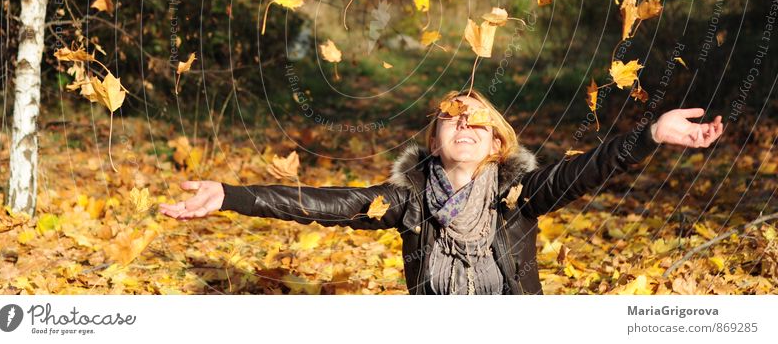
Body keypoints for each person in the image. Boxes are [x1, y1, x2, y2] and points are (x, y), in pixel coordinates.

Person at [159, 88, 724, 295]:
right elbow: (322, 204)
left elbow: (589, 169)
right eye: (453, 119)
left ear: (497, 144)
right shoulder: (404, 199)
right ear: (433, 141)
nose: (466, 126)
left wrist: (649, 135)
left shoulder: (520, 193)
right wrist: (231, 195)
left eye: (479, 122)